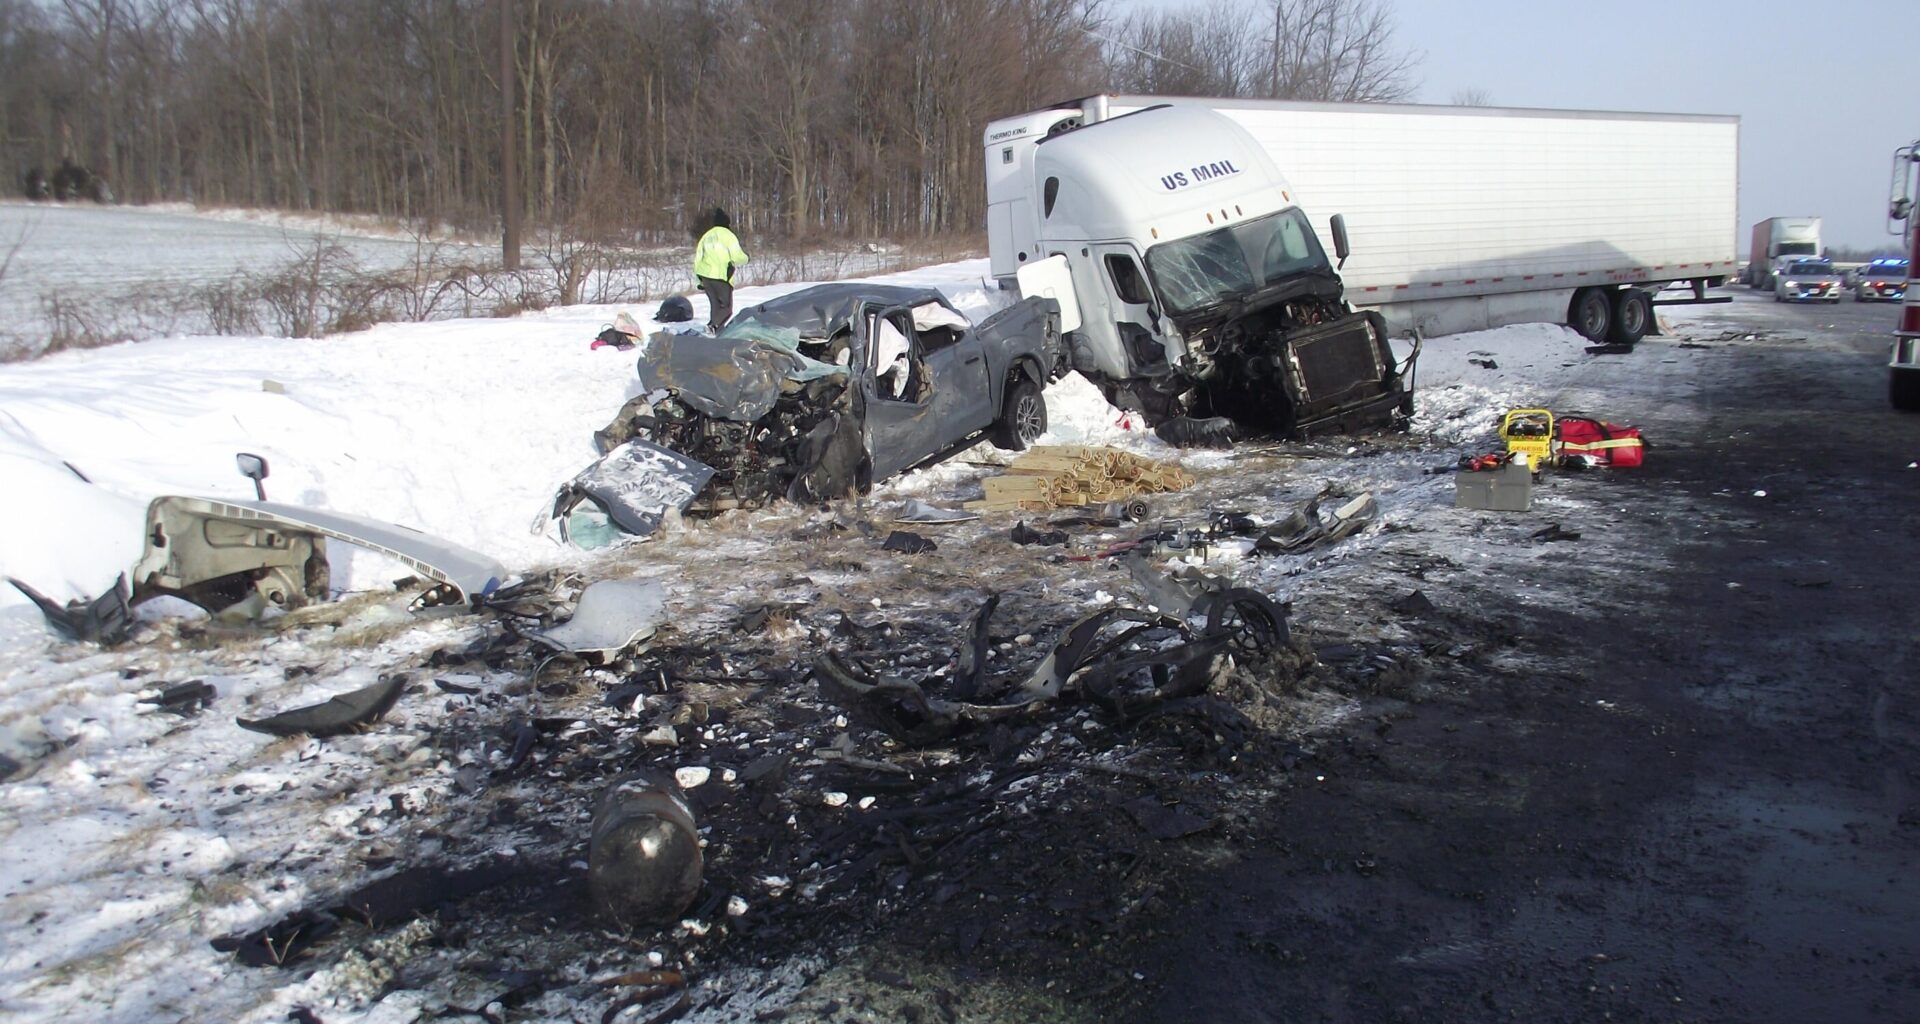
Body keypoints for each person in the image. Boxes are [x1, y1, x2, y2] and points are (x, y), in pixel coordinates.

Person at [692, 207, 749, 333]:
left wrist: (699, 280)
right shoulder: (728, 236)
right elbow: (737, 256)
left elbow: (697, 259)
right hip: (721, 276)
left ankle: (715, 333)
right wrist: (746, 258)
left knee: (715, 306)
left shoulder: (706, 236)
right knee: (727, 308)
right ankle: (712, 326)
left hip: (705, 277)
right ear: (726, 223)